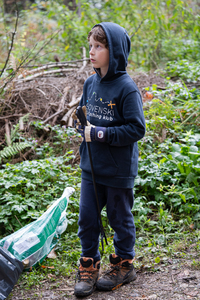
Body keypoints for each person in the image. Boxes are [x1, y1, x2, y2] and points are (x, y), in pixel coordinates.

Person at [73, 22, 146, 297]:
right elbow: (87, 119)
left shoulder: (127, 88)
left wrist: (100, 133)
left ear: (113, 51)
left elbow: (137, 129)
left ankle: (124, 264)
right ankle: (89, 265)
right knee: (87, 219)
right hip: (91, 167)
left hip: (117, 170)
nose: (92, 51)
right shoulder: (90, 83)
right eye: (91, 45)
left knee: (120, 219)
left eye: (99, 46)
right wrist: (84, 128)